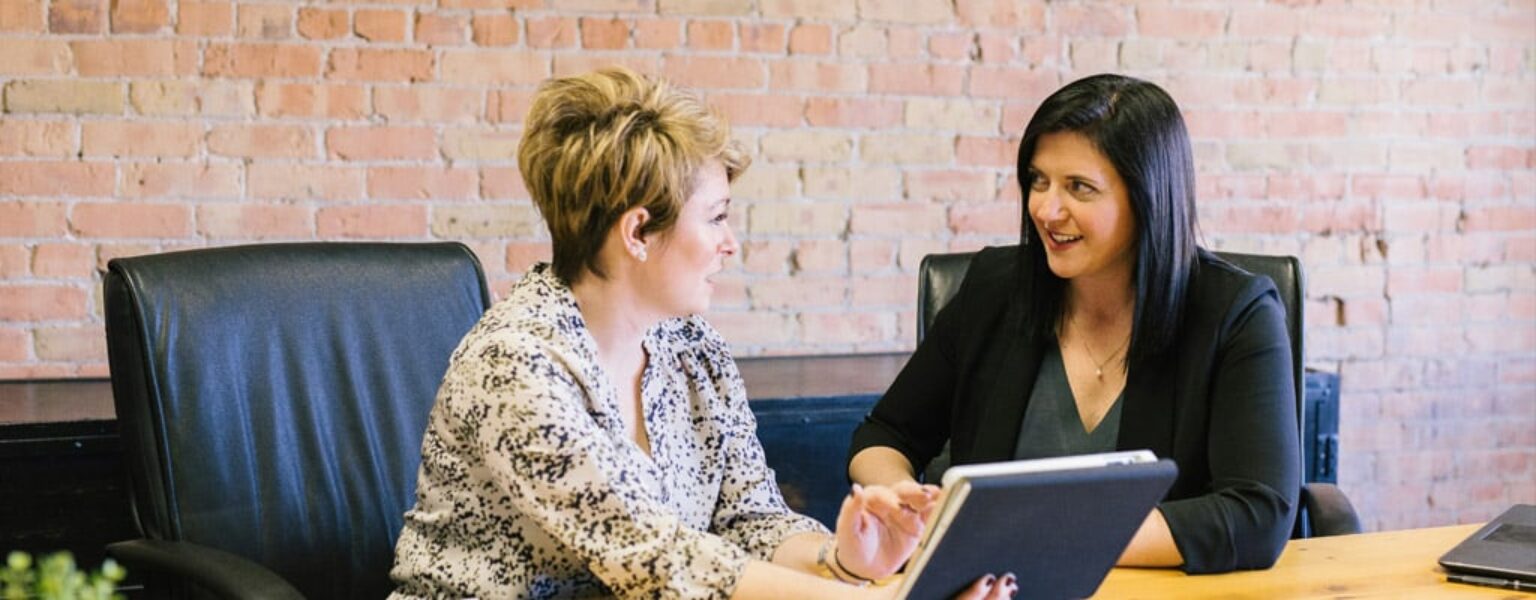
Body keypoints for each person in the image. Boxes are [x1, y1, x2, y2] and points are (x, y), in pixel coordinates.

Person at [389, 67, 1014, 599]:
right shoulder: (515, 364)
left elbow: (751, 520)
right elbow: (655, 558)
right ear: (637, 232)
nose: (730, 244)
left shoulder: (692, 348)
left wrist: (848, 563)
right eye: (715, 218)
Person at [847, 73, 1301, 575]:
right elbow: (884, 434)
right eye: (1038, 181)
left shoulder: (1237, 313)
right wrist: (900, 501)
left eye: (1079, 188)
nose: (1046, 208)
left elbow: (1257, 513)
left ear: (1148, 197)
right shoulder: (995, 289)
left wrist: (1033, 536)